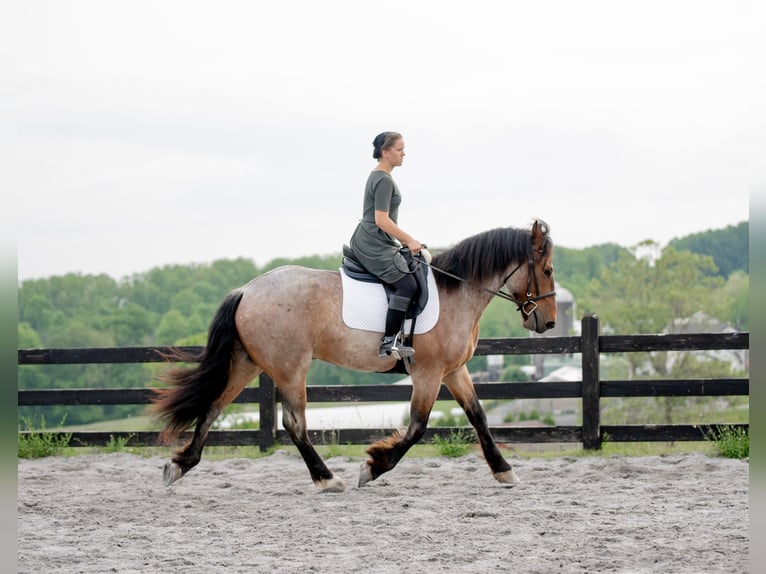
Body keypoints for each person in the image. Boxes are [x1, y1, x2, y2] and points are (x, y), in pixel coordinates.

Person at [349, 131, 423, 358]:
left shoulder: (381, 177)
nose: (404, 154)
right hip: (372, 241)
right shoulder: (382, 180)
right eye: (399, 149)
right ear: (385, 151)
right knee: (408, 286)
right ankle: (389, 340)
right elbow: (381, 219)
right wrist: (408, 239)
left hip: (378, 239)